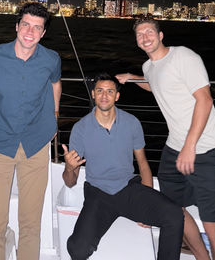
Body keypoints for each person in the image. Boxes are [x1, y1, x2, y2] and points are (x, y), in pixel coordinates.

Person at [116, 17, 215, 260]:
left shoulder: (184, 57)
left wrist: (189, 147)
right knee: (173, 210)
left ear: (161, 36)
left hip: (207, 149)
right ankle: (202, 257)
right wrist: (132, 77)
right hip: (174, 148)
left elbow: (205, 100)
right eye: (140, 34)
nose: (145, 37)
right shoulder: (148, 67)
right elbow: (156, 84)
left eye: (150, 32)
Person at [0, 2, 62, 260]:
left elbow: (56, 85)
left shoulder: (51, 59)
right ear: (17, 26)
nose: (30, 32)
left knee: (31, 224)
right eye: (26, 25)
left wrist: (54, 118)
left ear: (43, 33)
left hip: (36, 145)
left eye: (37, 27)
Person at [62, 72, 184, 260]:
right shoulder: (80, 129)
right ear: (93, 94)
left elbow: (143, 163)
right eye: (100, 91)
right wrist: (69, 167)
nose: (104, 96)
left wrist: (147, 199)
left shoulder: (131, 122)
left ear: (117, 96)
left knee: (174, 215)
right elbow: (70, 182)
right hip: (98, 194)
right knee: (77, 250)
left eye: (110, 91)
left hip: (128, 189)